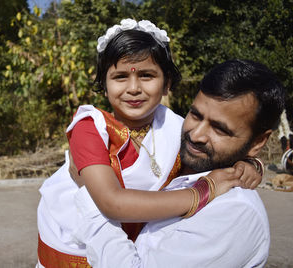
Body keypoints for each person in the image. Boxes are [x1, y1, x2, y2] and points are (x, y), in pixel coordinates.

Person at [36, 19, 261, 267]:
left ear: (166, 84)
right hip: (76, 242)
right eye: (120, 77)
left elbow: (211, 155)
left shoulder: (177, 127)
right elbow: (112, 203)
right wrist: (202, 193)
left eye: (146, 75)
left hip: (127, 246)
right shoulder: (90, 128)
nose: (133, 88)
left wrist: (248, 163)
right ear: (103, 85)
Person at [71, 59, 286, 267]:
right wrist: (252, 162)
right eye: (195, 115)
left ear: (258, 142)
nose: (197, 134)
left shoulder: (235, 213)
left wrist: (89, 193)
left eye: (220, 129)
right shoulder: (176, 148)